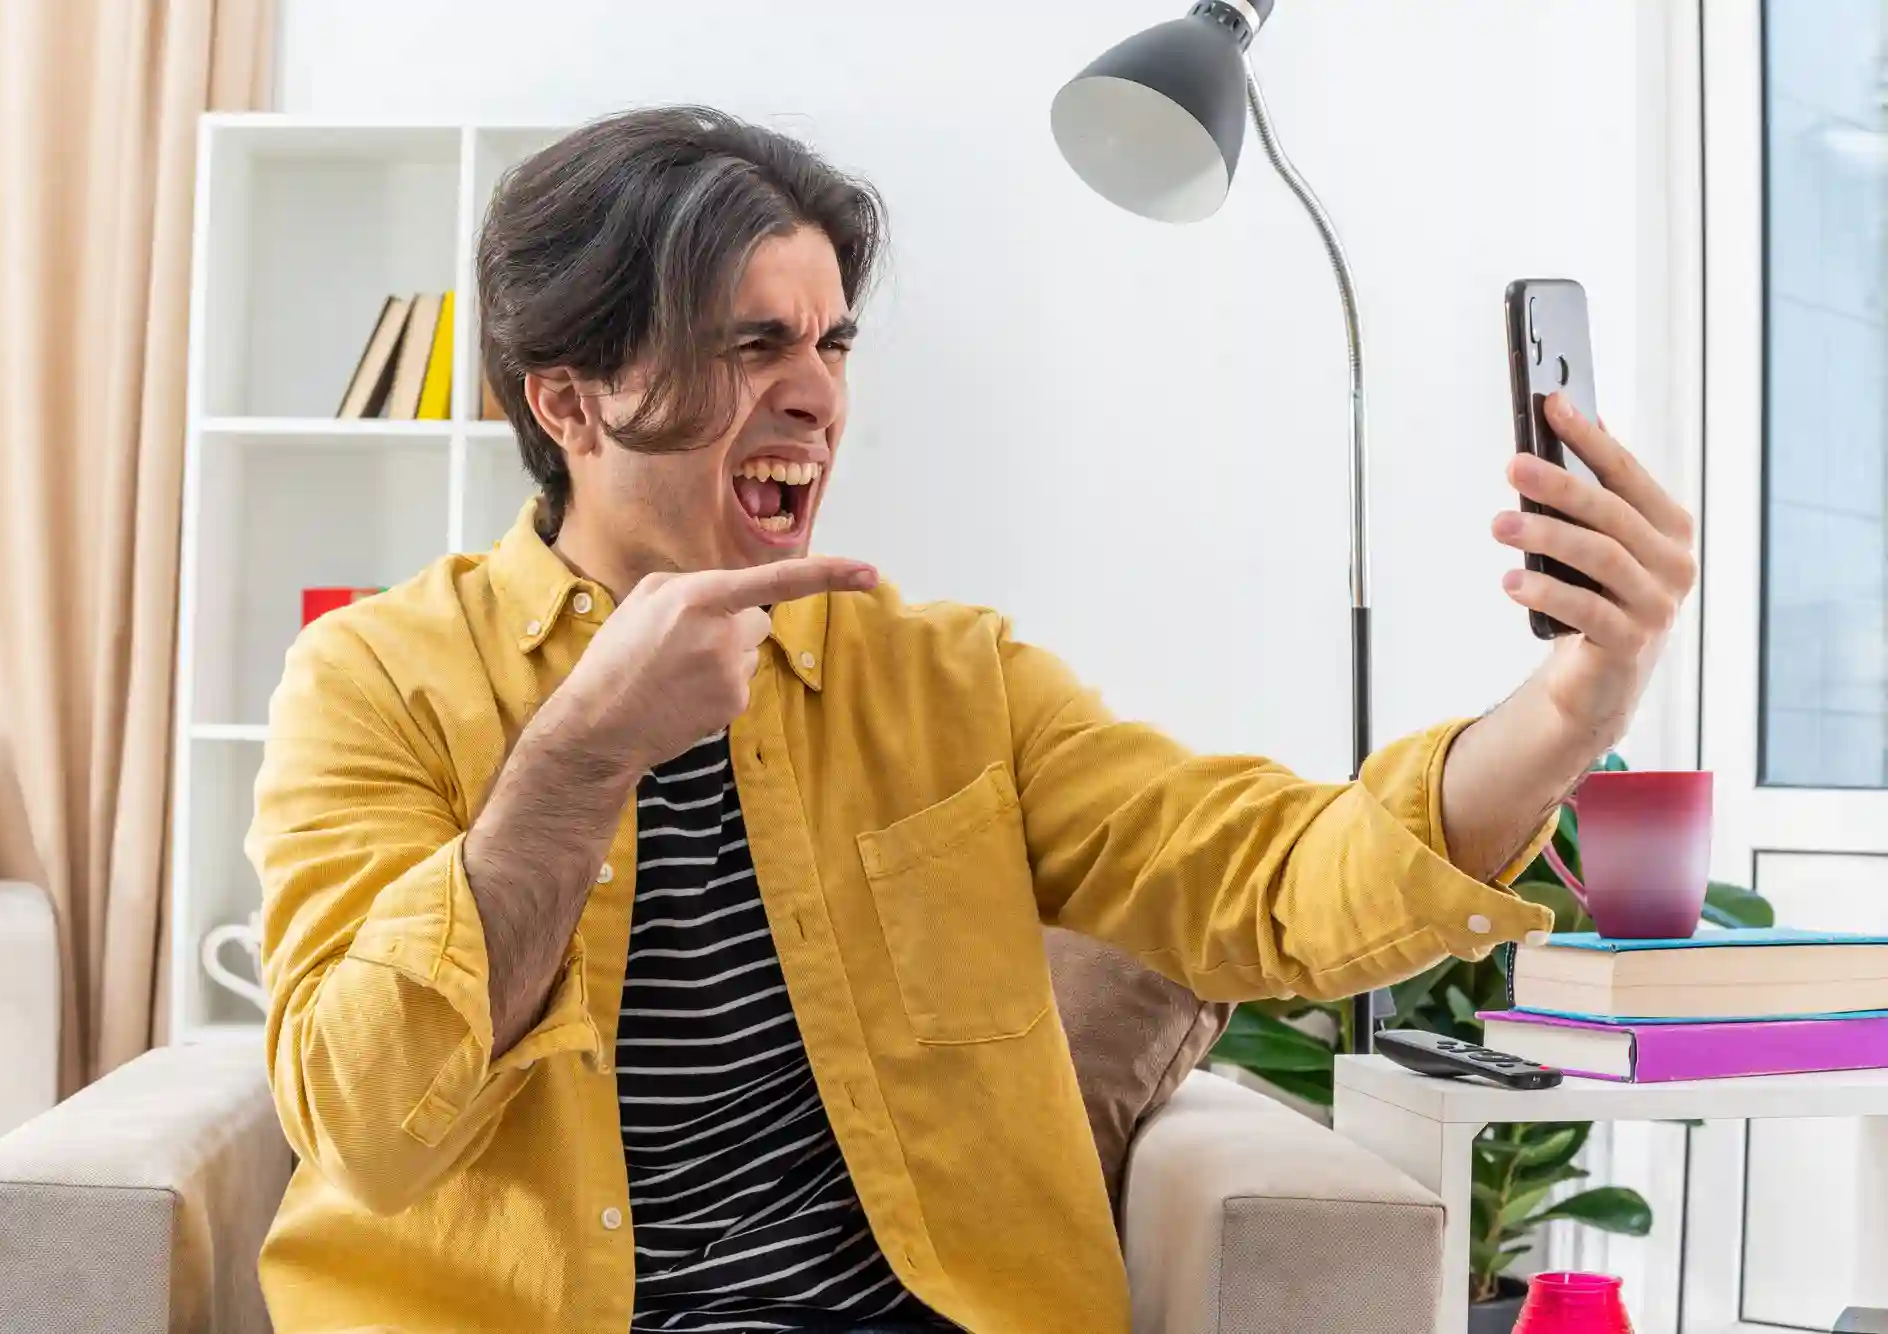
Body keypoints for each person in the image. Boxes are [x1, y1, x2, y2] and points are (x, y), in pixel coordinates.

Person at [247, 106, 1697, 1334]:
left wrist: (1572, 702)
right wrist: (577, 759)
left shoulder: (946, 683)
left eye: (831, 340)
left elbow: (1266, 874)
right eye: (752, 346)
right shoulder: (375, 681)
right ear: (569, 401)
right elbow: (363, 1124)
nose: (816, 394)